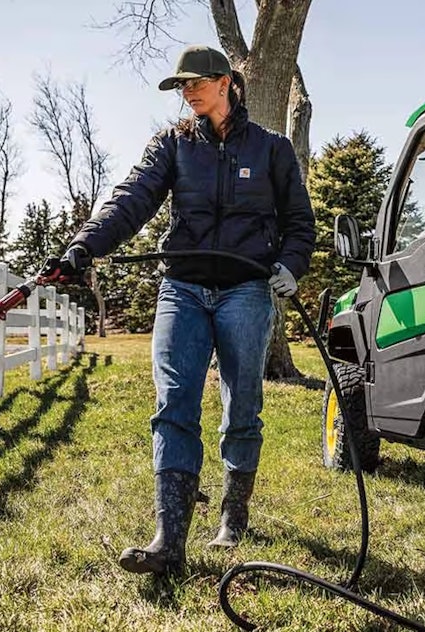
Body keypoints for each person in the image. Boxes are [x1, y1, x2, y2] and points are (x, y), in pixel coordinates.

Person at [42, 44, 315, 575]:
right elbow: (131, 199)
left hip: (246, 290)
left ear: (225, 83)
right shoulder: (173, 144)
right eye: (180, 86)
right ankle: (170, 540)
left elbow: (298, 222)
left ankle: (233, 517)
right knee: (173, 406)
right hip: (183, 288)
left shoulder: (272, 149)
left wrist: (290, 265)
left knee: (242, 406)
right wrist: (85, 244)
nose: (186, 92)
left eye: (194, 83)